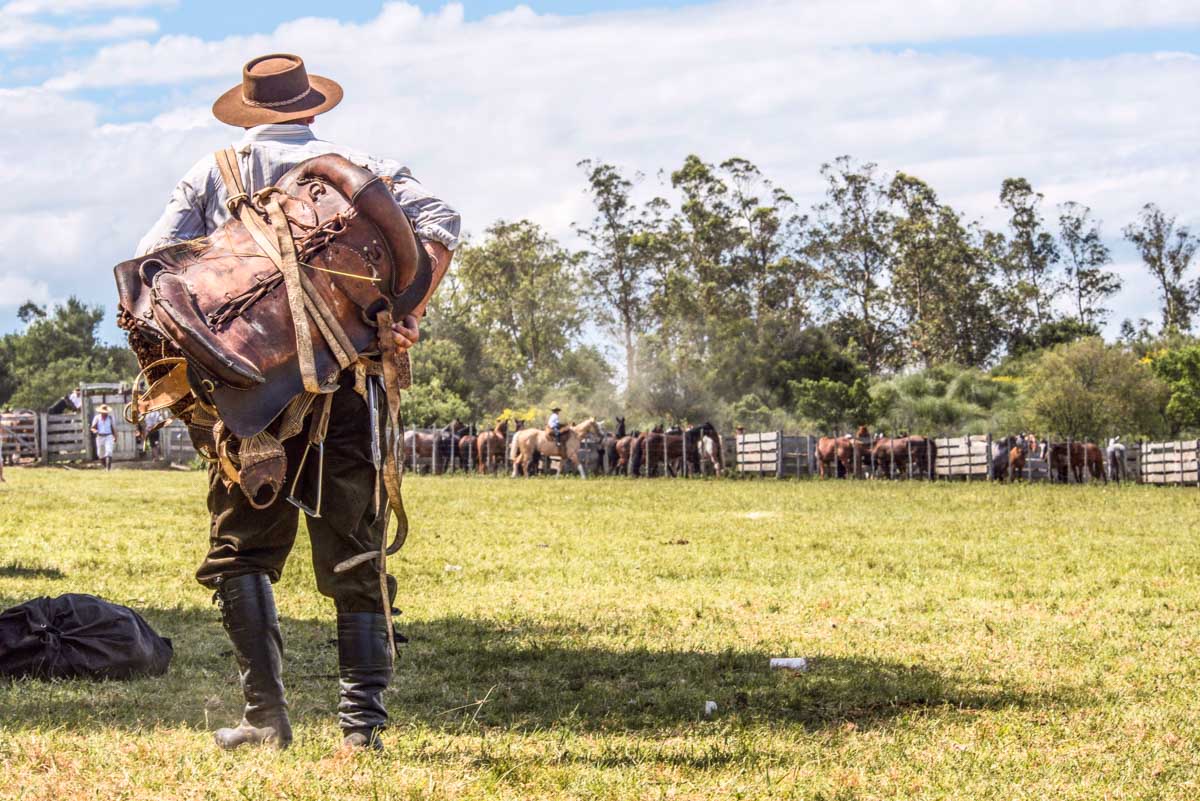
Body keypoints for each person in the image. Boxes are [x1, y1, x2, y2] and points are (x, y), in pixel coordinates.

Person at [135, 54, 460, 752]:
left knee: (241, 553)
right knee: (356, 549)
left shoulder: (215, 170)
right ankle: (361, 730)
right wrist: (408, 311)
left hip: (252, 395)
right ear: (312, 107)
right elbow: (443, 218)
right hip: (349, 381)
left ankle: (265, 718)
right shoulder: (361, 163)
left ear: (251, 113)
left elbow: (153, 258)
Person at [90, 404, 115, 471]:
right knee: (100, 454)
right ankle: (105, 466)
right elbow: (92, 428)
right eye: (103, 412)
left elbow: (113, 428)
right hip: (100, 436)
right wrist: (95, 431)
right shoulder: (97, 418)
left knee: (108, 451)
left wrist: (115, 436)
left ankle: (108, 469)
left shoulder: (110, 418)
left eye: (105, 412)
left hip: (108, 436)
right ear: (100, 412)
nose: (104, 413)